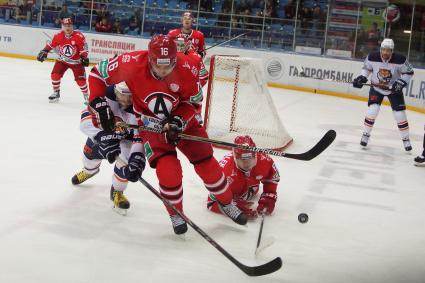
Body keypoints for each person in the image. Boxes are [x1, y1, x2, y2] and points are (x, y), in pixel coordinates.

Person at [87, 35, 247, 235]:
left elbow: (194, 102)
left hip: (184, 123)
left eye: (168, 65)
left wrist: (179, 120)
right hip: (150, 123)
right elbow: (96, 74)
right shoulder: (130, 63)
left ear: (175, 59)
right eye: (158, 66)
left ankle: (226, 202)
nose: (163, 71)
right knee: (168, 170)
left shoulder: (188, 66)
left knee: (208, 165)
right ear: (150, 59)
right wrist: (98, 102)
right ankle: (175, 213)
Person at [72, 82, 143, 215]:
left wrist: (137, 158)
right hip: (104, 134)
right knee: (90, 156)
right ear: (115, 91)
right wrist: (103, 136)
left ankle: (117, 191)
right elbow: (85, 120)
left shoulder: (140, 106)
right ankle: (89, 171)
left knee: (125, 163)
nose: (126, 100)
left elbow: (142, 134)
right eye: (123, 95)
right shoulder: (104, 98)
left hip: (127, 139)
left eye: (130, 96)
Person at [353, 38, 414, 151]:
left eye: (388, 50)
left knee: (400, 114)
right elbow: (366, 69)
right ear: (380, 49)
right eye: (383, 50)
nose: (385, 52)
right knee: (373, 110)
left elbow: (409, 73)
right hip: (376, 88)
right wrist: (362, 77)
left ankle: (406, 139)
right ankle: (365, 135)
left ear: (392, 50)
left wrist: (401, 82)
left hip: (394, 89)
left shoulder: (400, 59)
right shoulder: (372, 57)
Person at [207, 136, 280, 220]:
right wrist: (233, 210)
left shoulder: (264, 160)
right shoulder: (224, 171)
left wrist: (269, 194)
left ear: (255, 155)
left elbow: (272, 177)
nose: (247, 164)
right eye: (242, 160)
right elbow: (211, 202)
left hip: (248, 192)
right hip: (231, 197)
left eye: (250, 159)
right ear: (235, 158)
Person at [37, 18, 89, 104]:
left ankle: (87, 96)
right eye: (65, 26)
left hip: (76, 62)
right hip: (62, 61)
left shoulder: (79, 36)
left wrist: (84, 57)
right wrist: (44, 51)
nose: (67, 28)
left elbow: (84, 49)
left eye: (69, 25)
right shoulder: (58, 35)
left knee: (81, 81)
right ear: (62, 26)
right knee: (55, 75)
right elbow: (51, 44)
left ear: (72, 26)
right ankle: (56, 93)